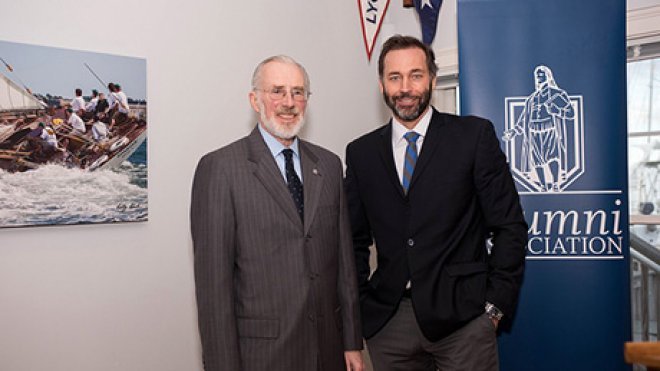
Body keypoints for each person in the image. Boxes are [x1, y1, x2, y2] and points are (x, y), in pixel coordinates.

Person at [344, 35, 528, 371]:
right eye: (394, 77)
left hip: (464, 320)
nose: (405, 88)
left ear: (432, 77)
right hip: (390, 323)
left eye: (415, 75)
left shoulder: (473, 137)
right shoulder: (361, 153)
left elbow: (509, 226)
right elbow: (353, 241)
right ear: (382, 84)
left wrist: (495, 307)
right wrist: (360, 309)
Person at [190, 55, 364, 371]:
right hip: (262, 357)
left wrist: (352, 342)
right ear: (255, 100)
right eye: (277, 91)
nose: (289, 102)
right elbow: (214, 290)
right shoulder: (220, 169)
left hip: (328, 351)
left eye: (298, 92)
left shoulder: (327, 165)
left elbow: (344, 266)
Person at [502, 65, 575, 192]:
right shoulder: (531, 99)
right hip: (533, 133)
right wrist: (513, 132)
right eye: (537, 76)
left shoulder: (557, 94)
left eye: (541, 75)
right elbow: (524, 119)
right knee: (537, 161)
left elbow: (571, 113)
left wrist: (557, 110)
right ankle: (542, 186)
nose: (539, 78)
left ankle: (556, 183)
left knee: (552, 157)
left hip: (550, 130)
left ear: (548, 77)